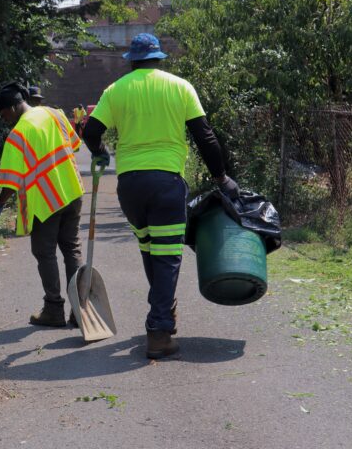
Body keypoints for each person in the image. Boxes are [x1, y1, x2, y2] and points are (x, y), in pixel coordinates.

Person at [82, 33, 240, 359]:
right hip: (167, 183)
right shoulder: (181, 87)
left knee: (151, 250)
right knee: (167, 257)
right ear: (159, 57)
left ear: (132, 60)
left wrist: (100, 153)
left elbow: (91, 131)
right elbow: (205, 136)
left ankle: (162, 312)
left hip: (130, 186)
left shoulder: (116, 90)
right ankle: (159, 331)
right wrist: (220, 176)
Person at [0, 82, 84, 327]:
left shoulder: (18, 134)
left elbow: (10, 182)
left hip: (46, 200)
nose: (4, 120)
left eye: (3, 114)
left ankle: (53, 309)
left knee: (45, 252)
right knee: (71, 249)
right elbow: (74, 145)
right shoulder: (56, 113)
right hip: (72, 191)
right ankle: (80, 309)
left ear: (12, 107)